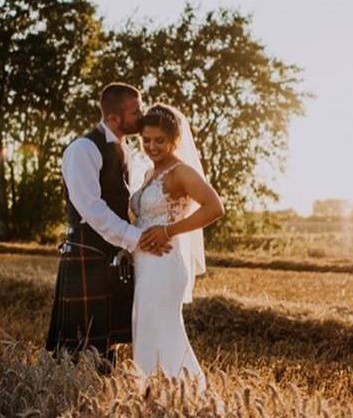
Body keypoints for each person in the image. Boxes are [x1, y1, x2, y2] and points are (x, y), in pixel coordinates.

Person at [45, 83, 172, 373]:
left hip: (110, 254)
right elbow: (92, 209)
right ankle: (64, 392)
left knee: (106, 344)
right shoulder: (83, 149)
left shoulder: (123, 148)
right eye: (135, 111)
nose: (141, 116)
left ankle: (101, 395)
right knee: (76, 345)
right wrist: (137, 239)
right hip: (87, 251)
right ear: (114, 118)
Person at [128, 103, 225, 392]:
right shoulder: (148, 175)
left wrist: (169, 230)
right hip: (144, 264)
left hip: (165, 263)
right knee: (144, 328)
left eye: (160, 140)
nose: (152, 146)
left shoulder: (180, 173)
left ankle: (193, 395)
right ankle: (150, 396)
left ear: (174, 141)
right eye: (146, 140)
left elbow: (215, 207)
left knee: (166, 331)